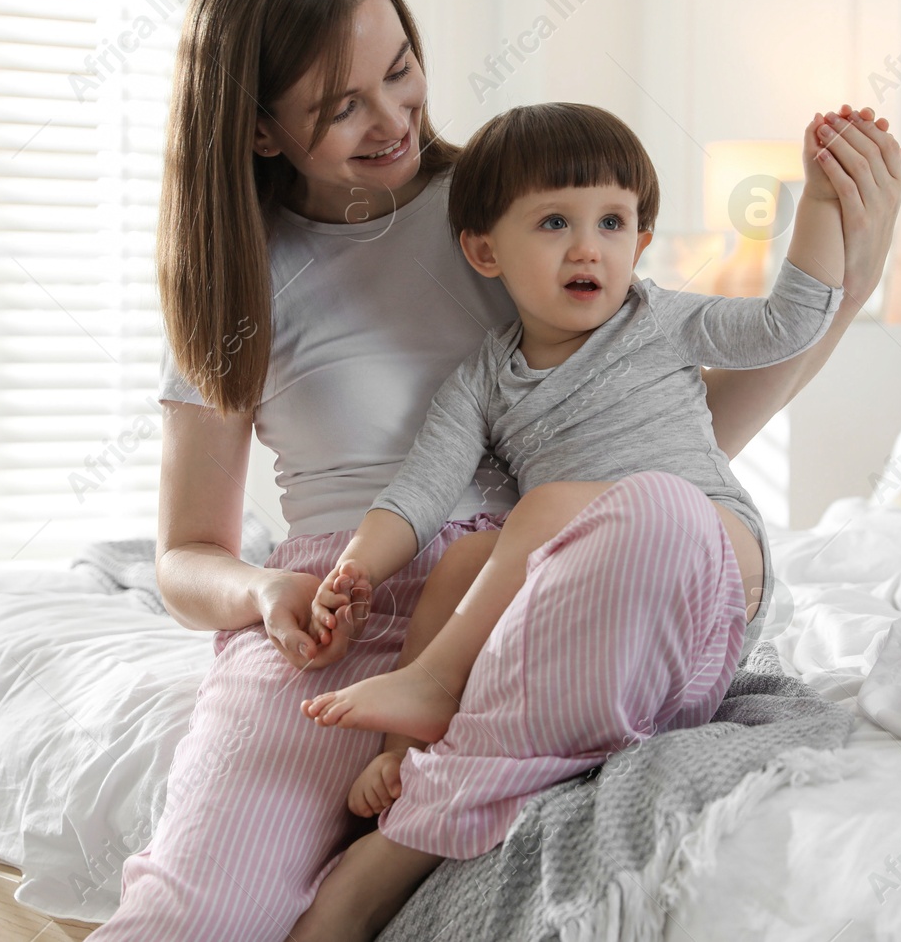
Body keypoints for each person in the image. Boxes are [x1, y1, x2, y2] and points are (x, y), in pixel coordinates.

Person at [88, 0, 901, 942]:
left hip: (554, 580)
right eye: (340, 106)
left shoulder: (510, 203)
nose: (393, 117)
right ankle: (423, 753)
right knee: (186, 922)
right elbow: (185, 555)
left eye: (400, 70)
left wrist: (846, 290)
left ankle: (391, 850)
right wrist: (267, 593)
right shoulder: (238, 279)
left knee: (655, 511)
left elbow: (671, 428)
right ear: (261, 131)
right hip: (343, 607)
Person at [288, 101, 848, 938]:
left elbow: (788, 322)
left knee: (551, 505)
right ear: (485, 250)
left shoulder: (662, 319)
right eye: (555, 222)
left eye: (614, 221)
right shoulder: (483, 379)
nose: (590, 246)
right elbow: (420, 492)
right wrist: (356, 566)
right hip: (598, 599)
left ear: (640, 240)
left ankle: (439, 694)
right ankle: (411, 749)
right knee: (464, 557)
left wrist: (825, 204)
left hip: (708, 566)